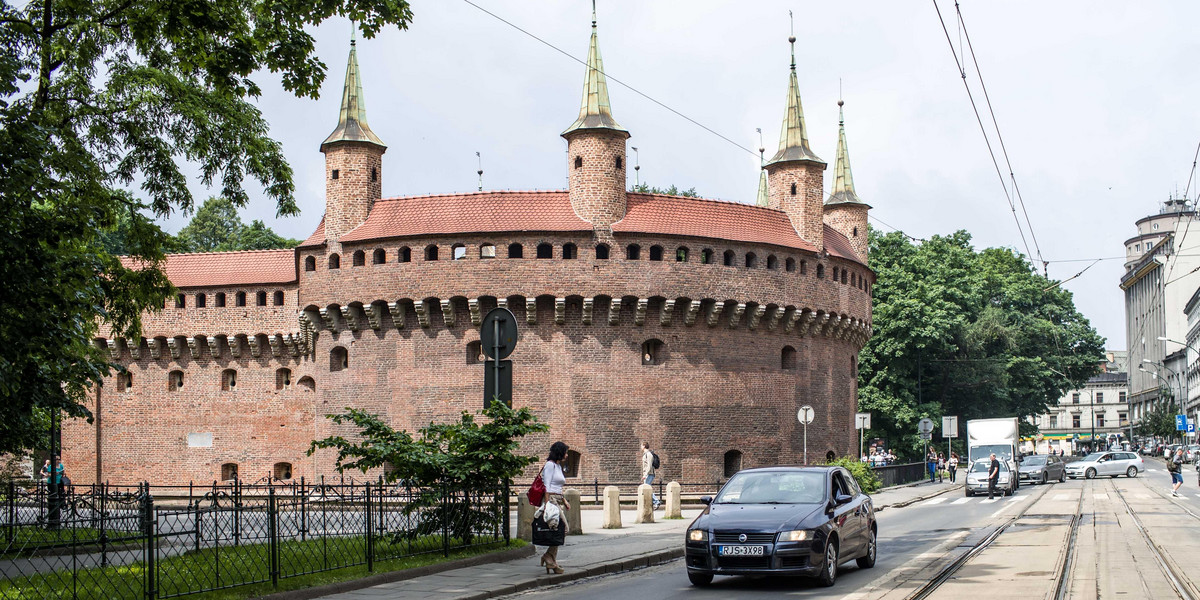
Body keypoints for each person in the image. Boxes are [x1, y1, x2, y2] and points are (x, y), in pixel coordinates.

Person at [538, 441, 570, 574]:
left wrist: (564, 500)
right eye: (565, 452)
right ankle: (548, 556)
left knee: (557, 529)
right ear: (559, 452)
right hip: (551, 500)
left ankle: (551, 560)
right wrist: (547, 505)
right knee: (563, 529)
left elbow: (558, 486)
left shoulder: (557, 466)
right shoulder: (550, 465)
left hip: (557, 499)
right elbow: (547, 486)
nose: (567, 455)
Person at [641, 442, 660, 509]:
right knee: (647, 488)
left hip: (649, 474)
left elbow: (649, 466)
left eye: (641, 445)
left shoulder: (648, 454)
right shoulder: (645, 454)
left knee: (647, 488)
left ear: (644, 446)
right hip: (648, 474)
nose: (641, 447)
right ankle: (652, 502)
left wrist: (645, 475)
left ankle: (656, 501)